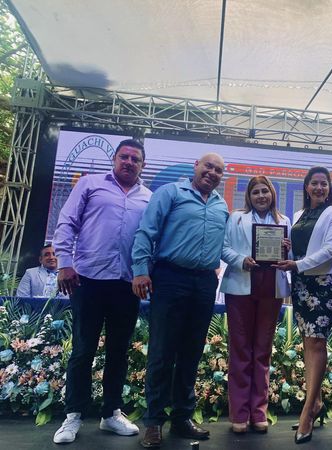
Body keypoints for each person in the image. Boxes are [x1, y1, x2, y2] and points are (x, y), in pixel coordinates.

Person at [52, 139, 152, 444]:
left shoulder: (148, 197)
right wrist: (64, 263)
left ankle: (111, 414)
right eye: (124, 157)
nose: (129, 162)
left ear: (143, 165)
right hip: (87, 280)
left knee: (119, 351)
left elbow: (150, 239)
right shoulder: (90, 184)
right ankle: (73, 415)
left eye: (135, 159)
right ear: (114, 159)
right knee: (83, 350)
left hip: (126, 284)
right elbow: (67, 223)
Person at [131, 153, 229, 448]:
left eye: (218, 170)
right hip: (170, 277)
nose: (212, 172)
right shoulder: (170, 192)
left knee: (191, 352)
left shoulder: (221, 205)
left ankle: (182, 418)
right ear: (195, 166)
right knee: (162, 351)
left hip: (204, 282)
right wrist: (140, 270)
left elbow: (226, 246)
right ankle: (153, 421)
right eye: (208, 166)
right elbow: (146, 232)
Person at [273, 166, 332, 445]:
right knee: (307, 343)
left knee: (316, 343)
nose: (319, 188)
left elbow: (330, 251)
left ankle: (307, 411)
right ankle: (316, 403)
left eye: (323, 183)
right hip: (302, 282)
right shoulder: (299, 215)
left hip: (324, 283)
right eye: (314, 183)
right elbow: (300, 250)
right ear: (306, 187)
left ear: (329, 188)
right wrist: (287, 249)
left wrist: (297, 263)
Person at [220, 175, 291, 434]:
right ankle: (239, 413)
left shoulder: (284, 221)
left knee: (262, 351)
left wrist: (287, 249)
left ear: (272, 194)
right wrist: (241, 260)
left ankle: (259, 411)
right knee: (240, 349)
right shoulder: (236, 217)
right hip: (240, 285)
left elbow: (291, 257)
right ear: (248, 197)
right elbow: (223, 248)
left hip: (271, 288)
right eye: (256, 192)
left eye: (265, 191)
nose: (261, 196)